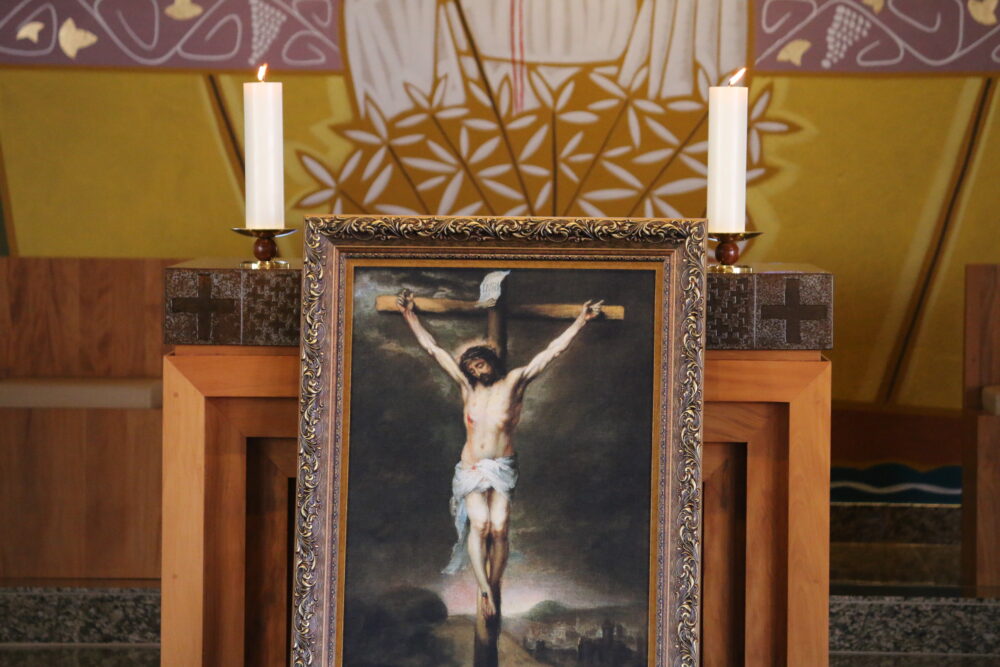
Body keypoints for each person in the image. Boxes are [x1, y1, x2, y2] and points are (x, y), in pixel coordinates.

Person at [396, 288, 603, 618]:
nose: (477, 371)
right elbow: (434, 350)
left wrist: (581, 320)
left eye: (480, 364)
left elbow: (552, 352)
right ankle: (484, 590)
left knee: (499, 527)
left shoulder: (515, 382)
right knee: (480, 526)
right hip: (471, 467)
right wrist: (409, 315)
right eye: (472, 368)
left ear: (490, 360)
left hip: (503, 467)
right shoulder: (468, 389)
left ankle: (492, 585)